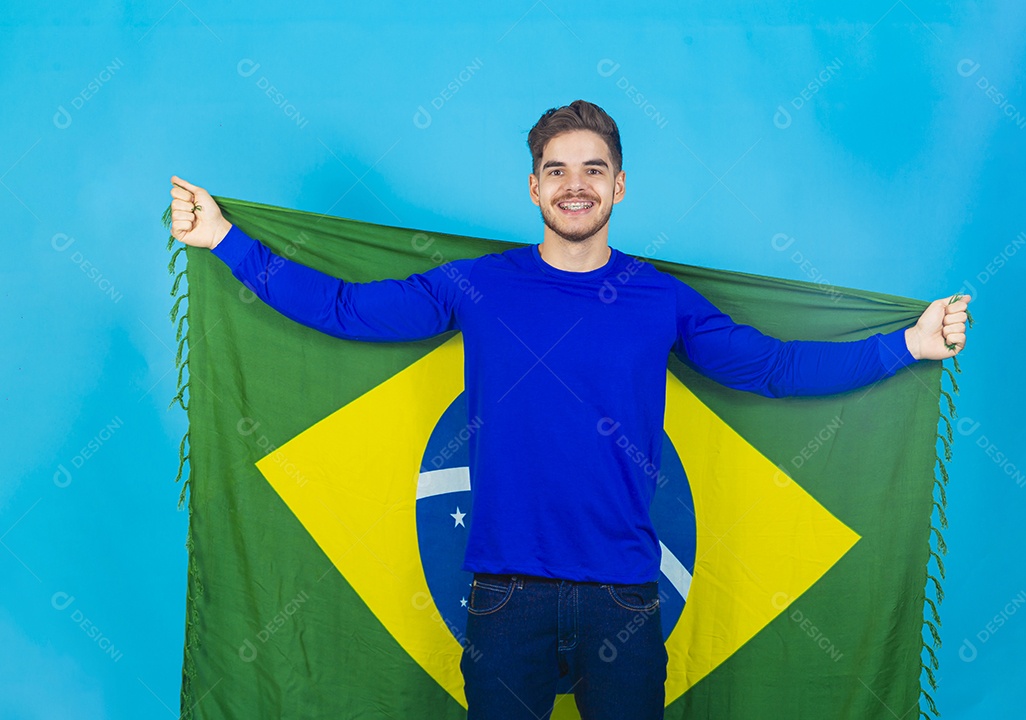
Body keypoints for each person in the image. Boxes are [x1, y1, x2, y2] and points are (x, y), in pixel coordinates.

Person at [168, 99, 970, 720]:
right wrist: (225, 239)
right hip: (504, 599)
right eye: (556, 170)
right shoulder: (478, 284)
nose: (574, 184)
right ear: (534, 186)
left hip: (623, 600)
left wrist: (909, 345)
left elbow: (773, 367)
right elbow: (347, 310)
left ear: (619, 185)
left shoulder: (660, 300)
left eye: (593, 169)